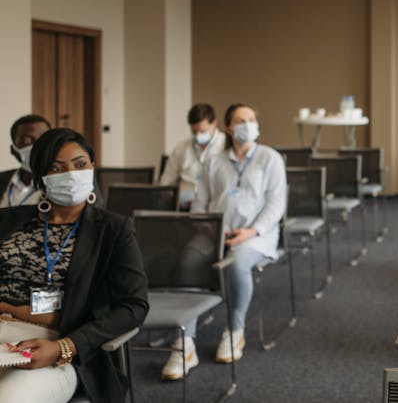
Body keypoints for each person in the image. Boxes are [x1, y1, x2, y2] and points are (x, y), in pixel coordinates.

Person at [0, 128, 149, 403]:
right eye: (56, 168)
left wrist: (65, 347)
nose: (70, 174)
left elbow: (133, 306)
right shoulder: (8, 220)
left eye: (80, 164)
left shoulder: (113, 229)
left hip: (53, 343)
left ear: (92, 166)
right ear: (40, 176)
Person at [160, 103, 286, 380]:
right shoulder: (214, 162)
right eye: (241, 120)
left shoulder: (270, 158)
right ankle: (185, 343)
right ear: (228, 128)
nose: (247, 124)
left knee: (238, 263)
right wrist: (209, 229)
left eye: (252, 119)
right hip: (215, 234)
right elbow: (200, 205)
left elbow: (276, 205)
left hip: (255, 236)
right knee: (188, 261)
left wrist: (250, 232)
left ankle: (234, 331)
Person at [160, 103, 226, 210]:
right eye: (194, 132)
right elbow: (166, 183)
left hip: (215, 204)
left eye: (203, 131)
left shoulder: (226, 146)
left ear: (214, 123)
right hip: (186, 204)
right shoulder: (181, 148)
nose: (199, 135)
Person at [0, 114, 52, 208]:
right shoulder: (2, 179)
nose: (37, 146)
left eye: (44, 139)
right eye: (27, 141)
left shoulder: (62, 185)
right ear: (13, 150)